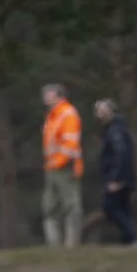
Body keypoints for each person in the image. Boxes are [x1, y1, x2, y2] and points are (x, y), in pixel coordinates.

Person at [41, 83, 84, 247]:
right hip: (52, 167)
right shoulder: (52, 116)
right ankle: (54, 244)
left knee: (71, 205)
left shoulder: (68, 114)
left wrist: (59, 162)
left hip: (65, 166)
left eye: (49, 94)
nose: (45, 97)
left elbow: (70, 143)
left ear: (59, 96)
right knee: (49, 207)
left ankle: (71, 243)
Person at [95, 98, 137, 245]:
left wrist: (116, 179)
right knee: (123, 208)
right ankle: (128, 241)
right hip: (123, 176)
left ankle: (133, 237)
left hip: (118, 177)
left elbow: (121, 155)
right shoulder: (116, 129)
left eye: (102, 109)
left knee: (110, 208)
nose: (99, 113)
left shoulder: (115, 131)